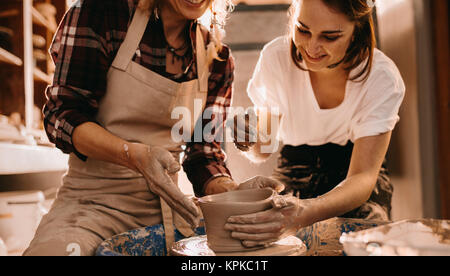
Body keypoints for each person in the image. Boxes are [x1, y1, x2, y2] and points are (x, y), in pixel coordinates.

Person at [24, 0, 239, 256]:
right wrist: (133, 155)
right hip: (89, 208)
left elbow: (203, 154)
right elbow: (61, 116)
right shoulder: (101, 14)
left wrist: (234, 193)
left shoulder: (217, 59)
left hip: (168, 216)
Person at [226, 0, 405, 248]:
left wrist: (307, 212)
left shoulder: (381, 76)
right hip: (294, 168)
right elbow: (263, 148)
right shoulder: (276, 58)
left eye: (330, 37)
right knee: (260, 236)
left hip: (353, 173)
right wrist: (250, 139)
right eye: (302, 30)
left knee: (363, 240)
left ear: (357, 32)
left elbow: (363, 176)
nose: (311, 47)